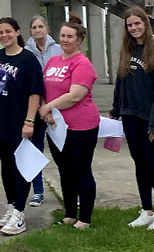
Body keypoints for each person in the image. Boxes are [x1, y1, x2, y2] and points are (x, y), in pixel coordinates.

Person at [110, 7, 154, 230]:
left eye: (138, 23)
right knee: (139, 163)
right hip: (129, 116)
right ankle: (147, 210)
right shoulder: (127, 52)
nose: (134, 28)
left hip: (149, 119)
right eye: (130, 25)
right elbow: (121, 84)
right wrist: (115, 110)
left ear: (146, 24)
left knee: (153, 165)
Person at [38, 14, 99, 230]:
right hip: (56, 127)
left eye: (70, 36)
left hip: (81, 126)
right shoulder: (53, 61)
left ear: (79, 40)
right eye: (62, 35)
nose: (65, 40)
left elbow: (75, 95)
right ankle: (70, 214)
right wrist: (45, 109)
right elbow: (43, 88)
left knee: (81, 169)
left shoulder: (82, 64)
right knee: (65, 169)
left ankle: (85, 218)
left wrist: (48, 107)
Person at [0, 17, 45, 236]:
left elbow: (35, 92)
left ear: (17, 32)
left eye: (8, 31)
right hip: (1, 121)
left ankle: (20, 214)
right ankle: (11, 206)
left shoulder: (28, 59)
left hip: (22, 122)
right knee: (6, 165)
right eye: (1, 32)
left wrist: (29, 121)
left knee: (21, 167)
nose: (4, 35)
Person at [24, 15, 63, 207]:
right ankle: (38, 191)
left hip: (57, 109)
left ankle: (71, 192)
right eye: (34, 27)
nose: (38, 30)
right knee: (36, 151)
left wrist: (51, 107)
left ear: (47, 28)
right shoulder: (26, 52)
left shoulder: (58, 49)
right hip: (37, 109)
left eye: (41, 26)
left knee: (62, 153)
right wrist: (41, 107)